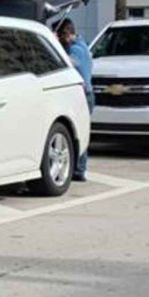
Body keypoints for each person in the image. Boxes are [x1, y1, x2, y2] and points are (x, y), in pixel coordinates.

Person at [56, 18, 93, 182]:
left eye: (60, 36)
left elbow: (64, 64)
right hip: (87, 94)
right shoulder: (82, 45)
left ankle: (79, 170)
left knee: (80, 131)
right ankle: (79, 169)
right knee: (81, 130)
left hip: (83, 96)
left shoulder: (75, 50)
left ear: (66, 34)